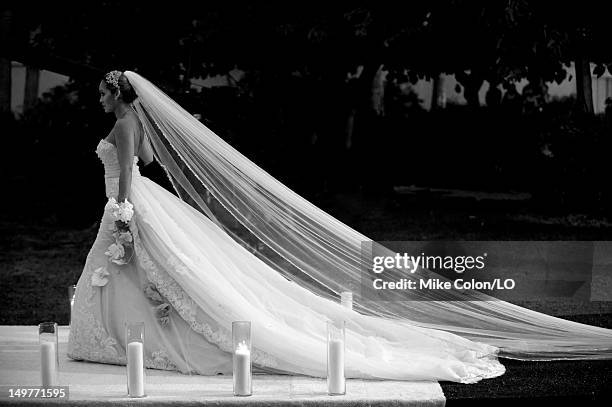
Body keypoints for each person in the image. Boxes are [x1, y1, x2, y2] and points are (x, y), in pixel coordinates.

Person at [67, 70, 611, 383]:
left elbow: (130, 178)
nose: (98, 97)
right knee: (164, 278)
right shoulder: (129, 120)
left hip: (134, 204)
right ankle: (133, 338)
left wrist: (123, 216)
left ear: (117, 94)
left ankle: (132, 340)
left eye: (101, 91)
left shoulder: (122, 124)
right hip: (141, 202)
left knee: (162, 274)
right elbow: (144, 166)